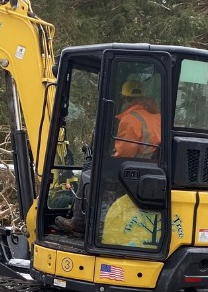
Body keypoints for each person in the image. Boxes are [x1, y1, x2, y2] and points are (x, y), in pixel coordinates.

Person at [54, 80, 161, 235]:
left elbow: (124, 154)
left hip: (130, 172)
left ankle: (79, 223)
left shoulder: (130, 120)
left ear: (125, 99)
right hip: (149, 170)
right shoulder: (157, 117)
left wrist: (108, 156)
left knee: (88, 175)